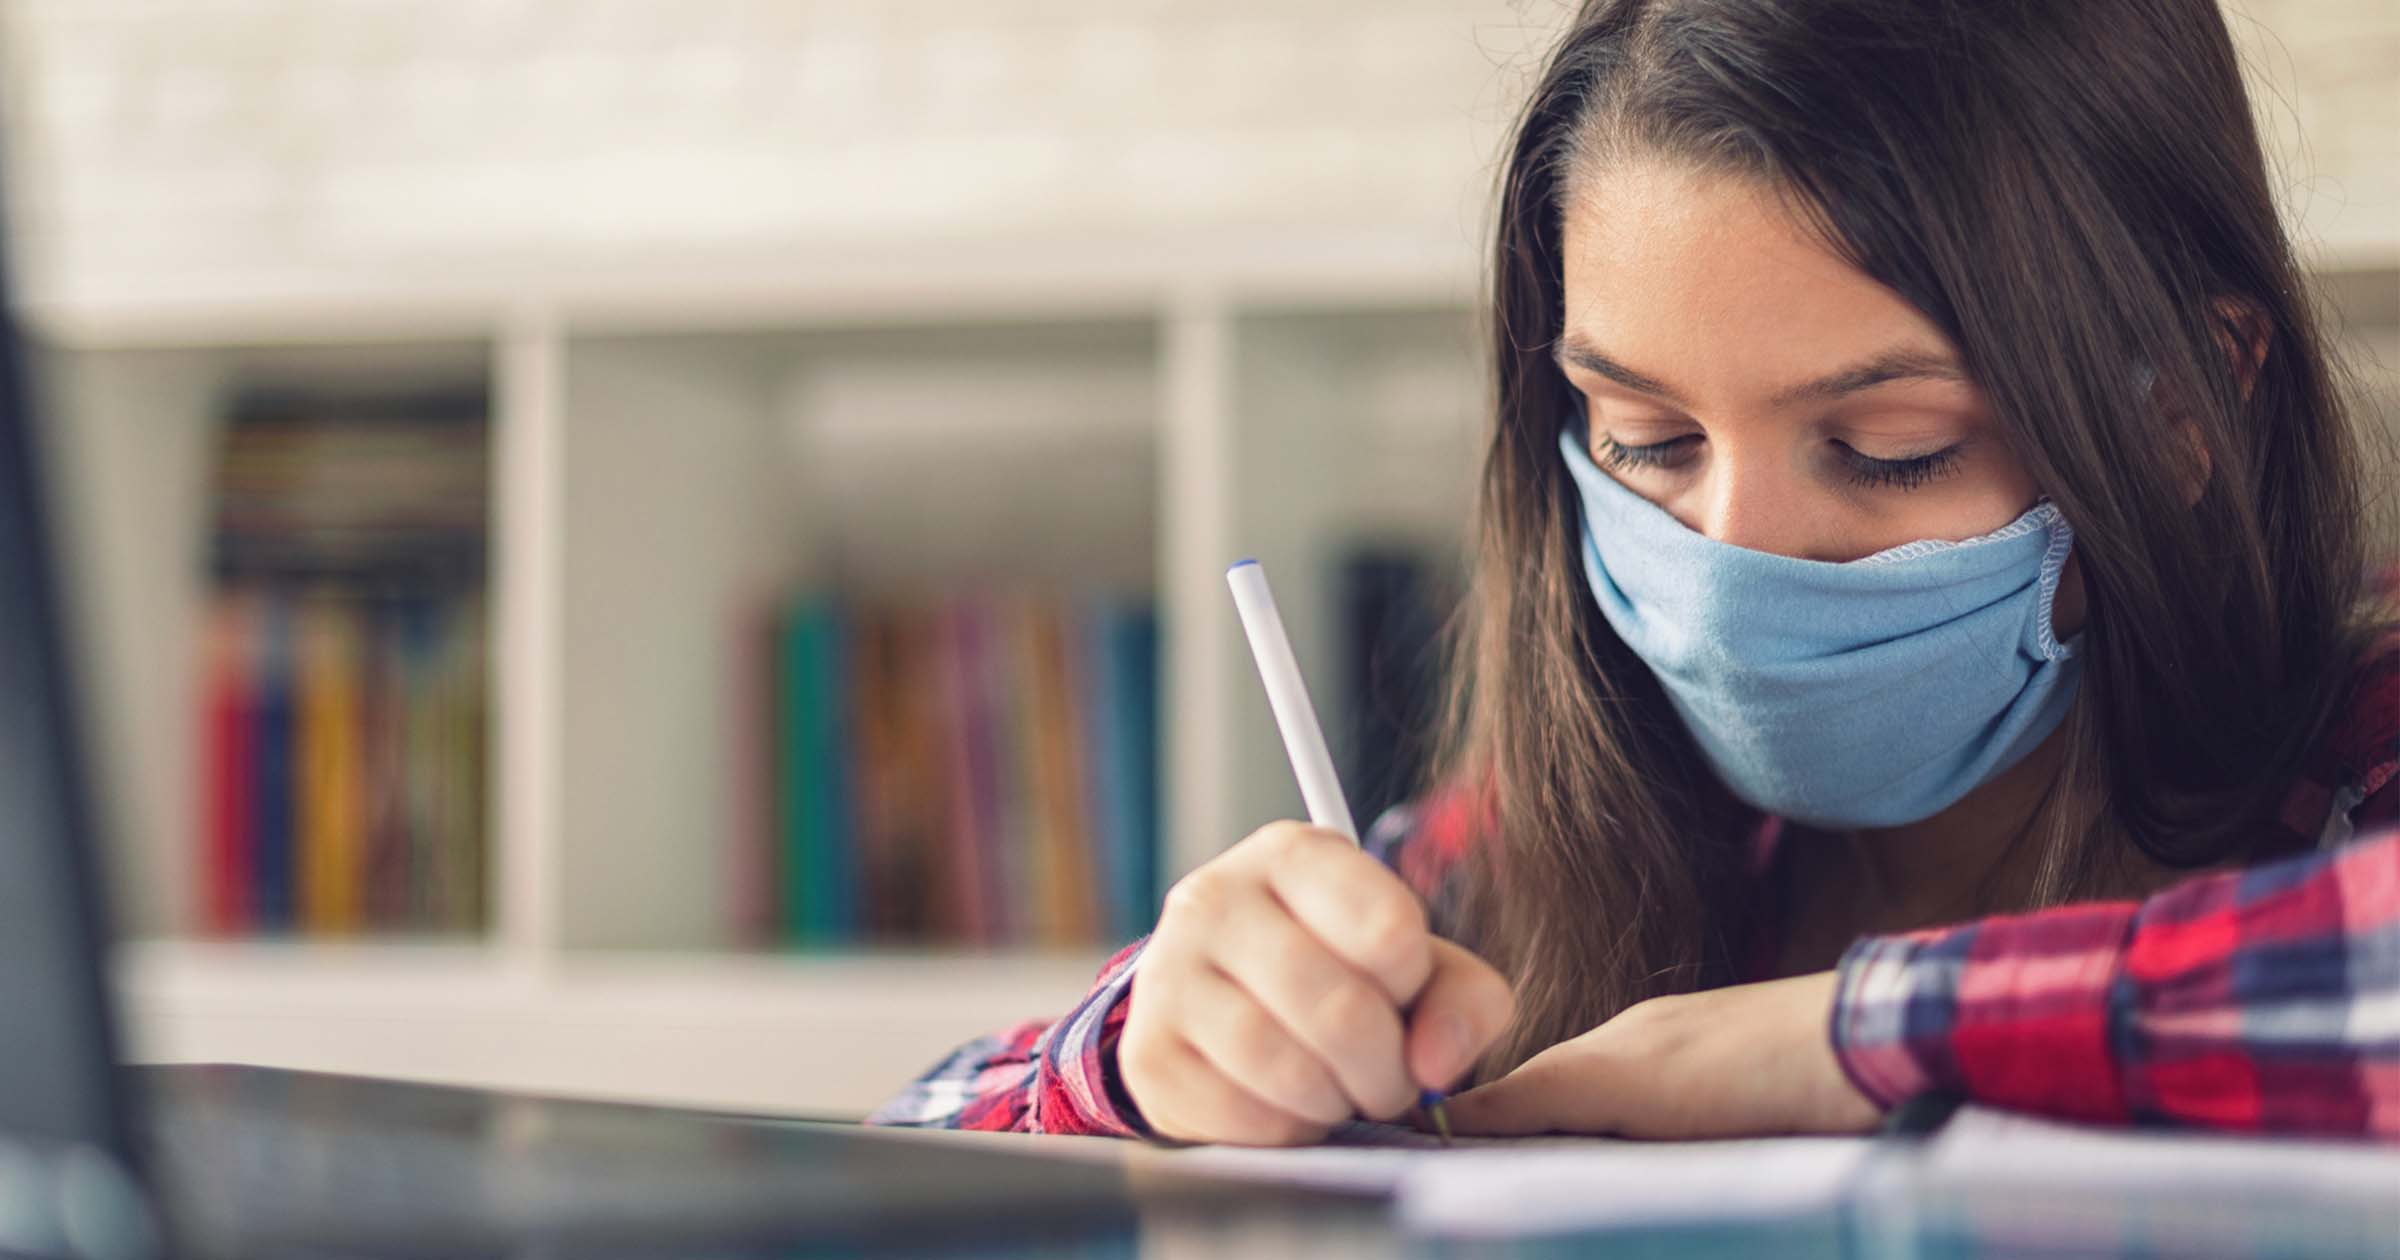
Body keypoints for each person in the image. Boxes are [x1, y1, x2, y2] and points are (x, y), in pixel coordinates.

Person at [863, 0, 2400, 1145]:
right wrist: (1149, 1055)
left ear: (2188, 408)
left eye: (1887, 446)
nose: (1731, 563)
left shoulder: (2360, 761)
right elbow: (909, 1144)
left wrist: (1825, 1045)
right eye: (1650, 439)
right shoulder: (1539, 861)